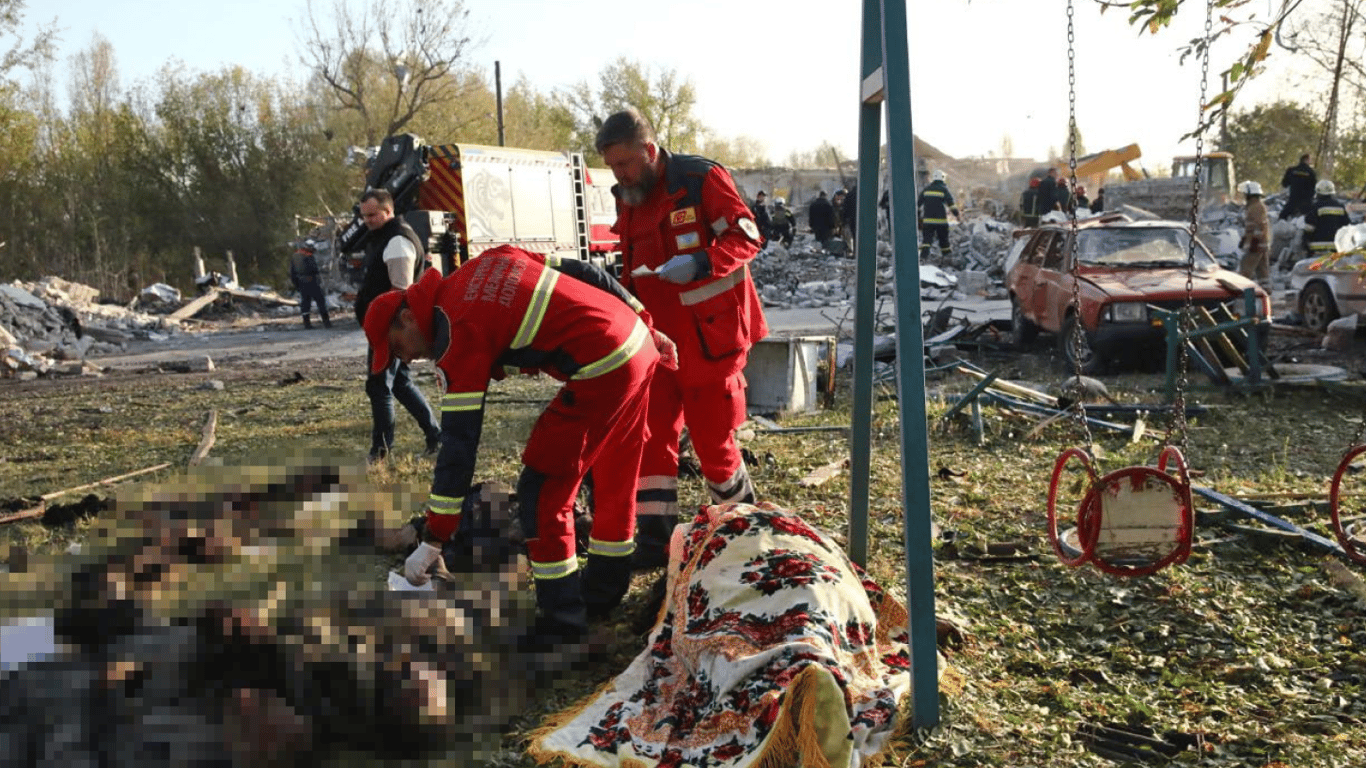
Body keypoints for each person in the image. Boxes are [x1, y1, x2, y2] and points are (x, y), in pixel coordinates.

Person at [365, 246, 672, 645]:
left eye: (397, 347)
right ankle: (603, 590)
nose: (403, 360)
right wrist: (644, 320)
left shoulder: (456, 335)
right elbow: (582, 270)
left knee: (542, 491)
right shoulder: (482, 266)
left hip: (603, 363)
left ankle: (563, 622)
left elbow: (459, 444)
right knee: (614, 472)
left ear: (407, 317)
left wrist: (434, 538)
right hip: (634, 340)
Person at [594, 107, 767, 568]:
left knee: (714, 441)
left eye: (626, 164)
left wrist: (704, 262)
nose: (620, 174)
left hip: (711, 339)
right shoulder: (629, 195)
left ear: (650, 151)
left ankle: (740, 529)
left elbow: (746, 238)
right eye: (612, 167)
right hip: (657, 341)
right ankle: (656, 543)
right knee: (652, 438)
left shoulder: (699, 179)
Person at [355, 189, 441, 463]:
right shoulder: (387, 238)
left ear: (388, 211)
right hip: (388, 329)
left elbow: (399, 291)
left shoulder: (397, 242)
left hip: (392, 331)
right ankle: (436, 437)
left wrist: (387, 332)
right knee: (401, 383)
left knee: (379, 387)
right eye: (364, 216)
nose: (367, 220)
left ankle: (379, 453)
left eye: (372, 214)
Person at [917, 169, 960, 258]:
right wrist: (957, 215)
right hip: (941, 221)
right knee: (944, 241)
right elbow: (951, 204)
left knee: (927, 241)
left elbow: (918, 204)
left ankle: (923, 258)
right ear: (942, 179)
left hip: (928, 221)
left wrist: (917, 217)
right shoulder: (944, 189)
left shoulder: (926, 189)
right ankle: (947, 258)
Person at [288, 241, 331, 330]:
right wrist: (321, 270)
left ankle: (307, 324)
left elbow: (292, 273)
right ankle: (326, 323)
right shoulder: (308, 256)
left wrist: (297, 284)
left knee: (305, 303)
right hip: (312, 282)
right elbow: (314, 269)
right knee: (320, 301)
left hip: (301, 283)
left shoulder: (295, 256)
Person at [1238, 180, 1271, 287]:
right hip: (1260, 244)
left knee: (1245, 270)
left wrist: (1250, 243)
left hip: (1256, 245)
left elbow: (1257, 227)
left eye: (1245, 194)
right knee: (1263, 272)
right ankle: (1265, 291)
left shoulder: (1255, 207)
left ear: (1250, 194)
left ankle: (1241, 293)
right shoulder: (1257, 206)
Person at [1304, 179, 1350, 256]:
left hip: (1317, 248)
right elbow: (1346, 227)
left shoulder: (1315, 207)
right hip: (1336, 248)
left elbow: (1309, 228)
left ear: (1318, 193)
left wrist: (1304, 242)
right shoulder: (1340, 207)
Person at [1279, 153, 1318, 220]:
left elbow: (1284, 184)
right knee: (1311, 219)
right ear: (1307, 160)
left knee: (1282, 217)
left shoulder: (1291, 170)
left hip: (1293, 199)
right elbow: (1315, 187)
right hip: (1306, 201)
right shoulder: (1311, 172)